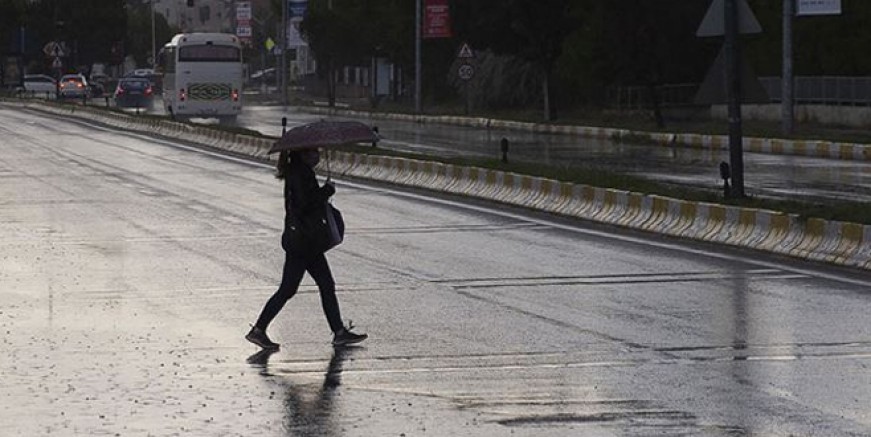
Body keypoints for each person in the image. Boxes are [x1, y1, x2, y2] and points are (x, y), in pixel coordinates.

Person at [246, 149, 367, 349]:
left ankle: (338, 331)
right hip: (303, 242)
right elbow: (305, 204)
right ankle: (259, 330)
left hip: (303, 240)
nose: (317, 155)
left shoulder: (298, 171)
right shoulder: (300, 173)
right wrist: (327, 190)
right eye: (314, 152)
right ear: (304, 154)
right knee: (299, 287)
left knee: (317, 285)